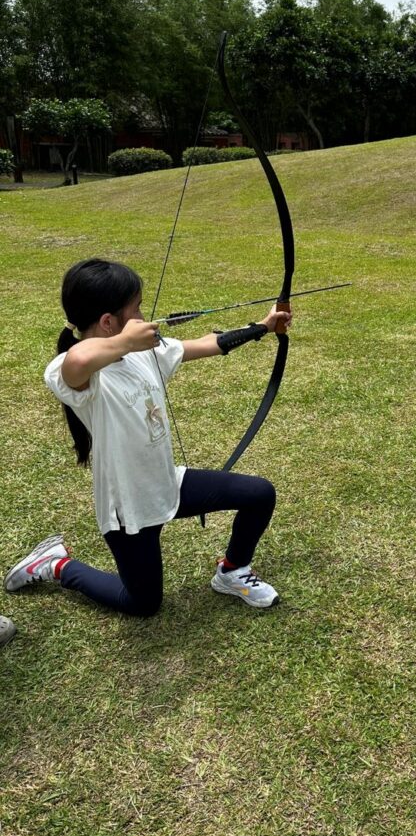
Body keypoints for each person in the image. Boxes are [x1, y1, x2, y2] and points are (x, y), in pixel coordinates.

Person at [4, 258, 291, 617]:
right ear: (109, 322)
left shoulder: (143, 353)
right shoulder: (80, 376)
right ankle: (57, 566)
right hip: (128, 508)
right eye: (136, 308)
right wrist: (126, 342)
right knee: (142, 603)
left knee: (259, 494)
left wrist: (262, 327)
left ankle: (232, 571)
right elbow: (76, 360)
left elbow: (202, 344)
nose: (144, 316)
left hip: (166, 483)